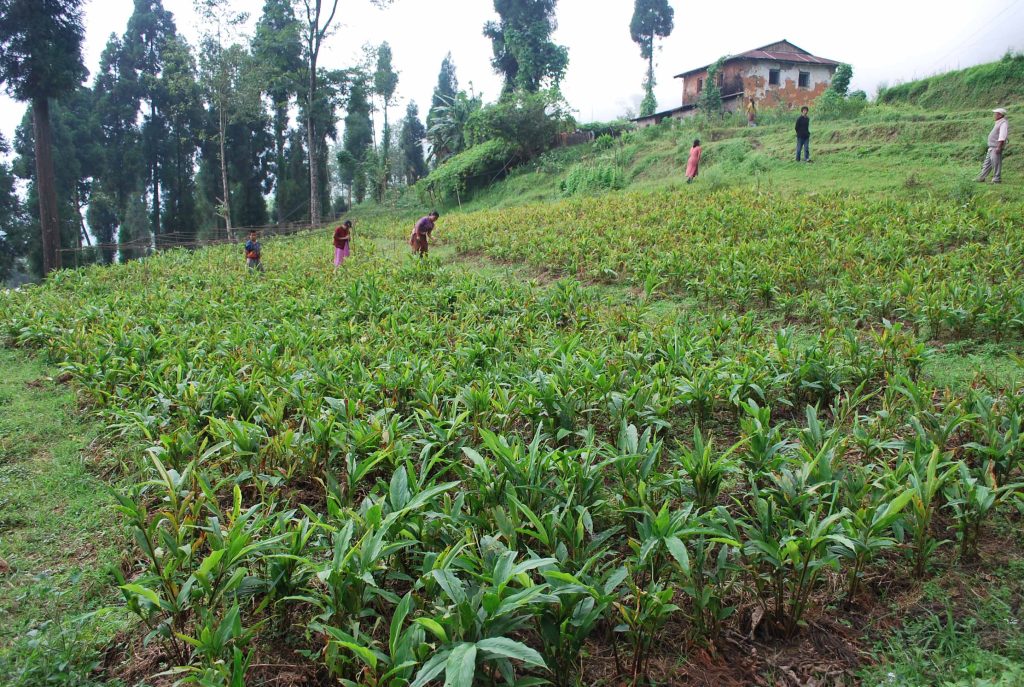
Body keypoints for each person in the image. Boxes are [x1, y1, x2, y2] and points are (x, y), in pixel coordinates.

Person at [977, 108, 1009, 184]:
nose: (994, 115)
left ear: (1000, 115)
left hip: (996, 147)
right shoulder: (998, 122)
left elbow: (1002, 136)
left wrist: (999, 147)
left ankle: (996, 179)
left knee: (996, 163)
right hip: (992, 147)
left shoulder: (1003, 123)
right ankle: (982, 177)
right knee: (987, 164)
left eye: (996, 113)